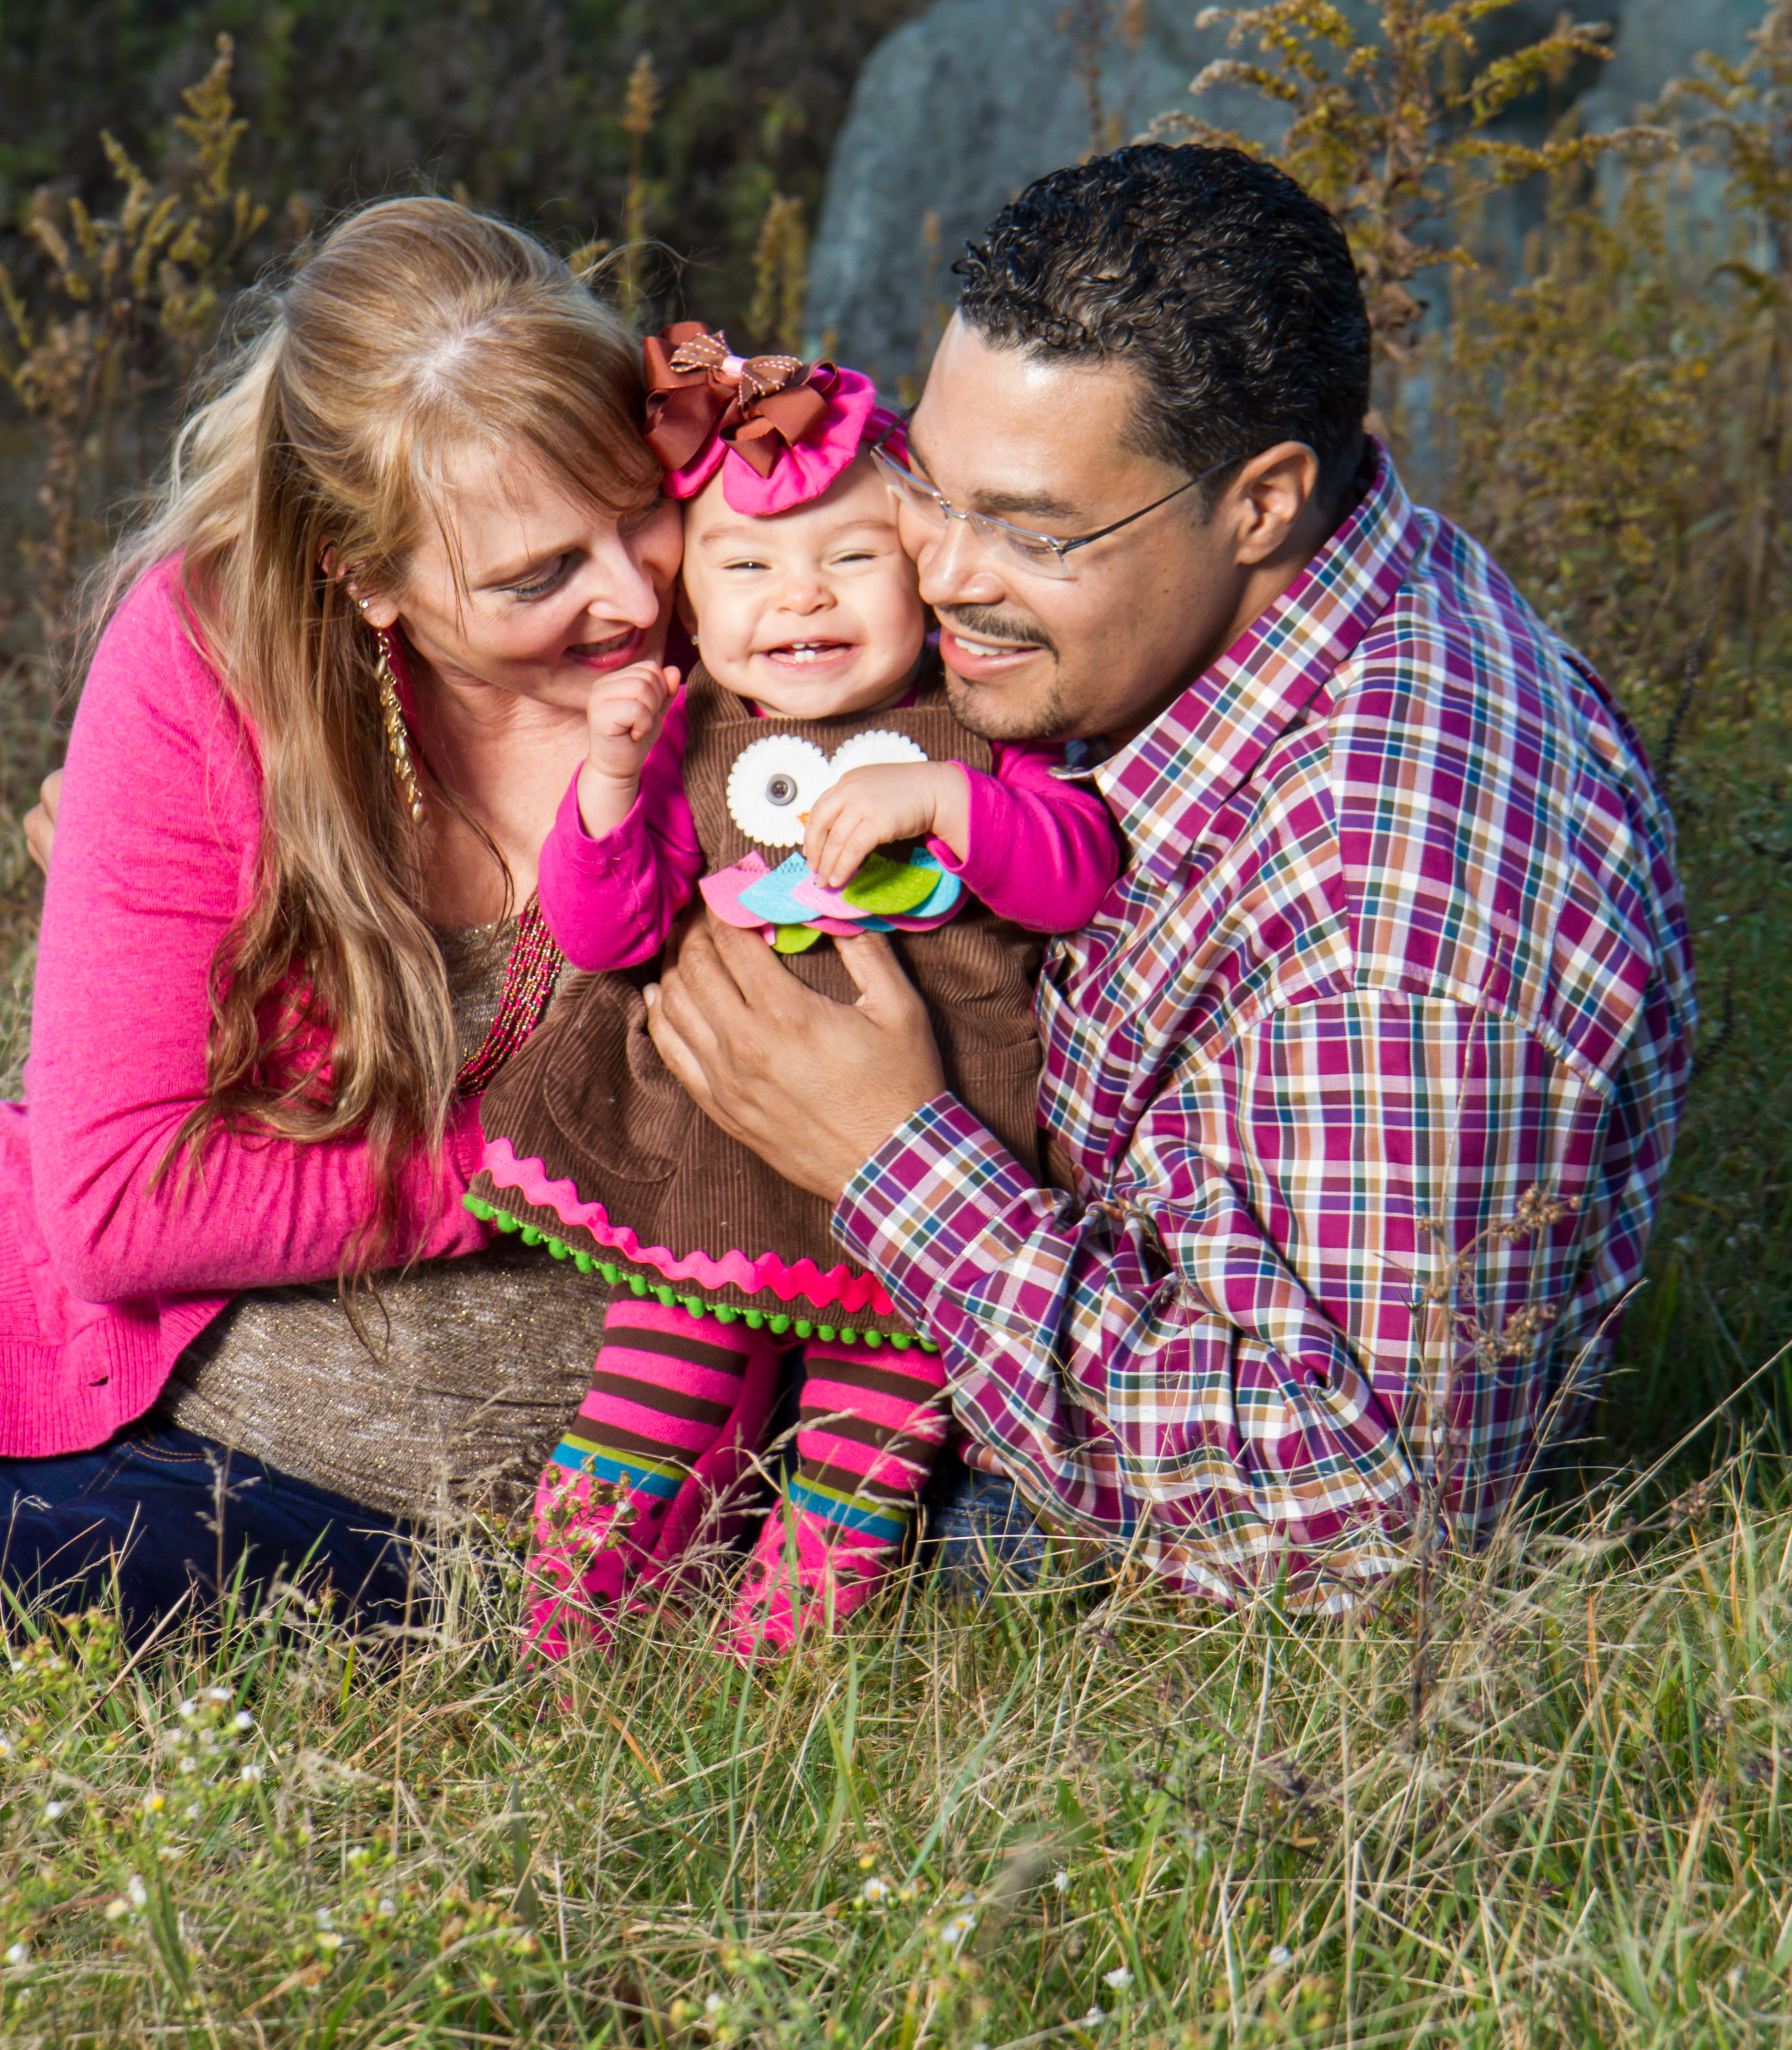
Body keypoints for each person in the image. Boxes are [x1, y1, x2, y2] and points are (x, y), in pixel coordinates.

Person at [640, 145, 1696, 1602]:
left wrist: (886, 1158)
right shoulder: (1258, 592)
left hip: (1088, 1503)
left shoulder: (1386, 920)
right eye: (931, 492)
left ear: (1261, 503)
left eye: (1031, 528)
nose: (940, 572)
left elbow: (1359, 1514)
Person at [0, 200, 727, 1672]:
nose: (634, 589)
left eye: (638, 507)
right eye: (539, 575)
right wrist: (553, 1170)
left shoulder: (763, 609)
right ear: (367, 574)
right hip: (100, 1360)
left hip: (342, 1500)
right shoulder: (216, 651)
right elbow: (119, 1205)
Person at [472, 329, 1119, 1657]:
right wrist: (605, 786)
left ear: (925, 576)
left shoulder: (984, 724)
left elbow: (1074, 878)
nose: (800, 599)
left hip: (943, 1166)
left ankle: (782, 1665)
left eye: (851, 560)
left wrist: (952, 802)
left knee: (866, 1451)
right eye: (747, 566)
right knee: (652, 1411)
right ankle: (564, 1642)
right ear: (691, 606)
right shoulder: (693, 731)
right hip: (709, 1158)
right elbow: (606, 934)